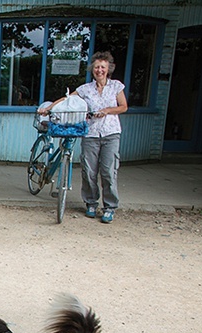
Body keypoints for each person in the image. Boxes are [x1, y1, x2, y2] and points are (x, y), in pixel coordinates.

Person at [40, 51, 128, 223]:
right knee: (89, 171)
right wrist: (49, 108)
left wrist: (107, 111)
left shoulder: (116, 86)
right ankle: (91, 203)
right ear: (92, 70)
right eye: (96, 67)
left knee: (109, 171)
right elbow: (66, 99)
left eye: (103, 67)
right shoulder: (85, 89)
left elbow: (123, 107)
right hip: (91, 134)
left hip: (111, 133)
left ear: (108, 68)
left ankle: (109, 207)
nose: (99, 70)